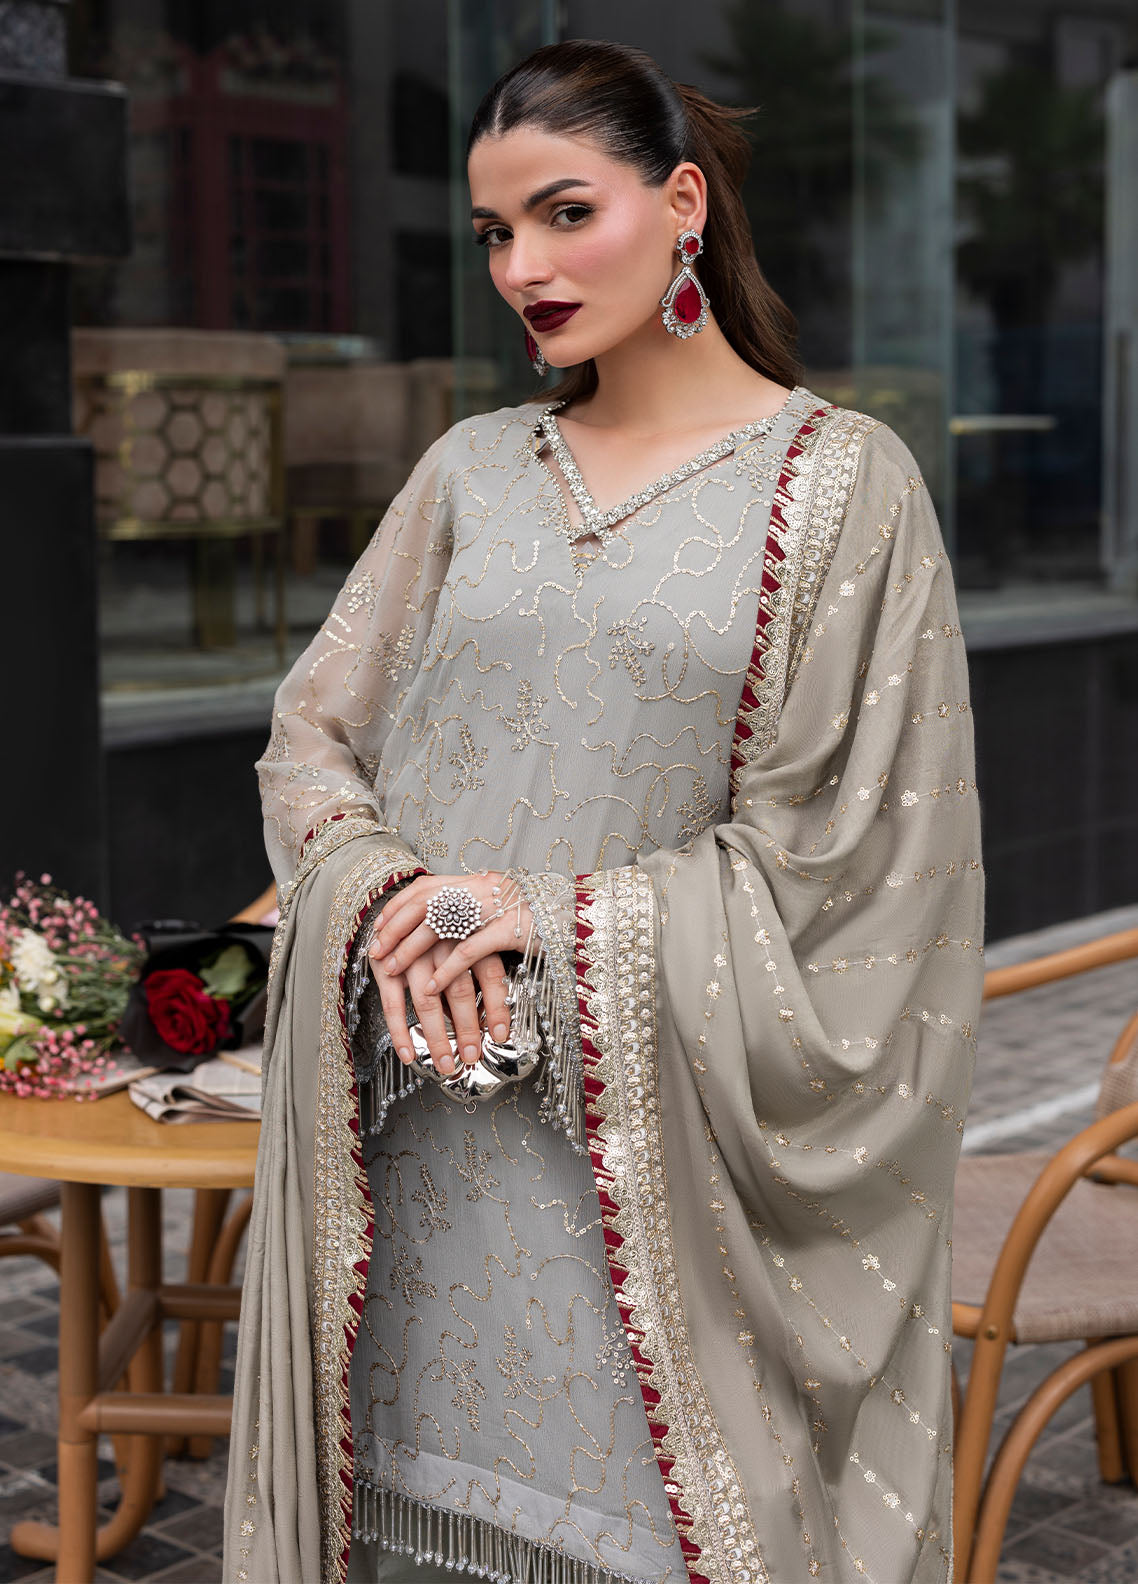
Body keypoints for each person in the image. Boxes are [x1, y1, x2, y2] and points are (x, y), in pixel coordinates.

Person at [224, 37, 984, 1584]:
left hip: (654, 1173)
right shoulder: (470, 471)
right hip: (416, 1133)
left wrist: (553, 922)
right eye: (495, 231)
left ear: (682, 203)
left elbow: (858, 867)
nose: (524, 267)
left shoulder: (839, 485)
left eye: (566, 213)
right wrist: (396, 899)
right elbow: (312, 739)